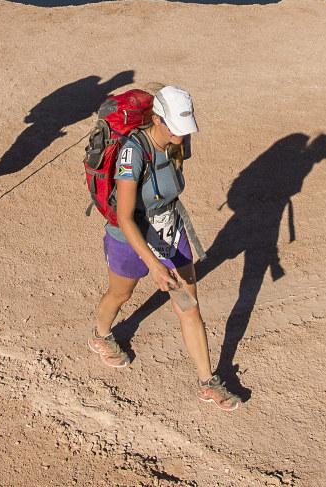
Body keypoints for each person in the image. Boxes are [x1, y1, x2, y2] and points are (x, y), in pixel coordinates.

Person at [89, 85, 241, 411]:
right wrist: (154, 265)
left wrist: (165, 256)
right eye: (175, 129)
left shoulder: (177, 142)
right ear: (156, 119)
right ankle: (101, 335)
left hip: (169, 228)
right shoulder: (132, 154)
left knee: (189, 304)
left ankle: (208, 382)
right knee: (121, 294)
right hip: (129, 235)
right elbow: (127, 218)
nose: (182, 137)